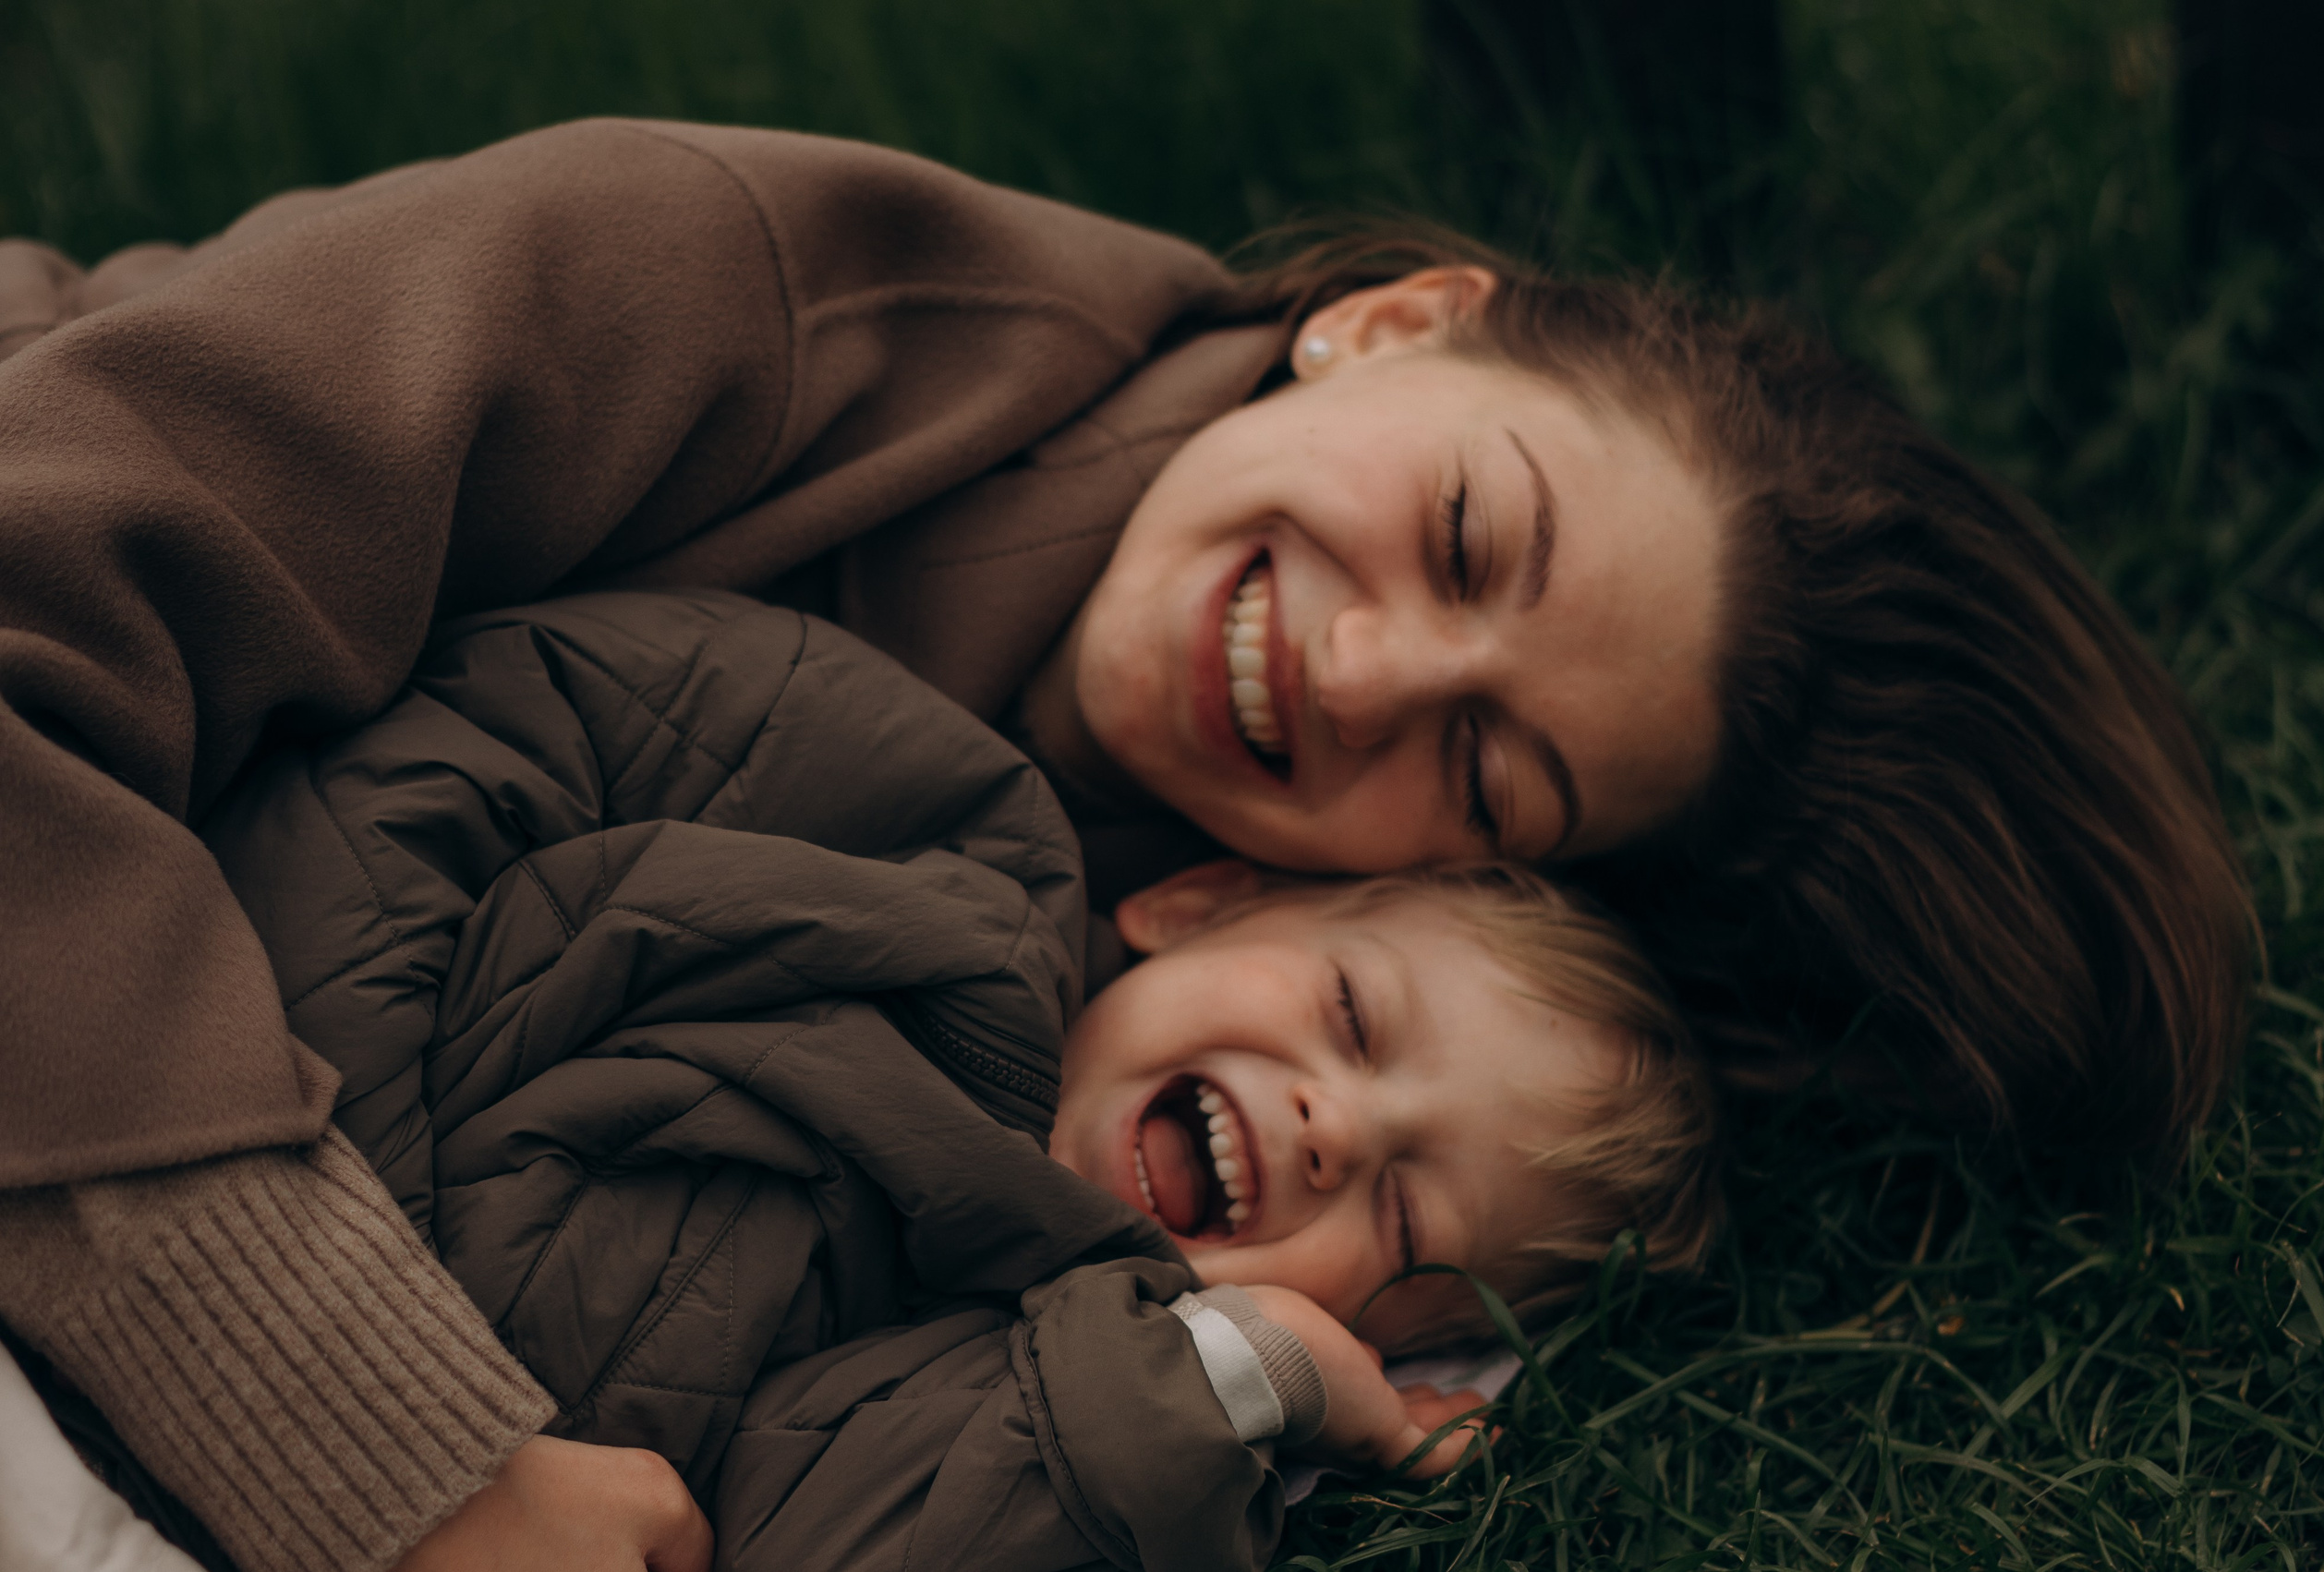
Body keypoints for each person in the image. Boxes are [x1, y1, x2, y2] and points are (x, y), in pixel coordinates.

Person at [0, 118, 2247, 1569]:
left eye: (1483, 777)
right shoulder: (741, 287)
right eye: (1467, 529)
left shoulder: (1162, 988)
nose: (1366, 671)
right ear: (1390, 322)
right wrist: (392, 1456)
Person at [170, 586, 1715, 1571]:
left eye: (1396, 1226)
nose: (1334, 1127)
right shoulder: (922, 822)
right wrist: (372, 1370)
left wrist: (1241, 1376)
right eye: (1356, 1020)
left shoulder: (1019, 1378)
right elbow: (416, 787)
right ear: (1202, 900)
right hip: (199, 1205)